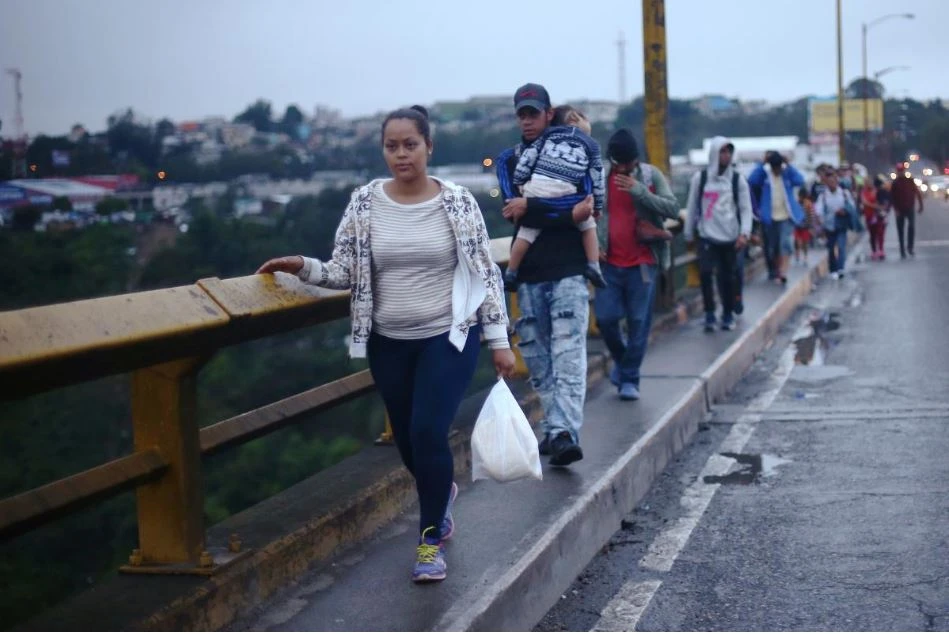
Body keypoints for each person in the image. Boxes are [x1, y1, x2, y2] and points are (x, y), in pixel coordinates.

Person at [256, 105, 515, 584]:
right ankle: (441, 495)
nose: (401, 154)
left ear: (428, 147)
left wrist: (499, 341)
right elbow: (345, 271)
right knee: (410, 444)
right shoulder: (364, 204)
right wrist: (302, 266)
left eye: (410, 145)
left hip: (448, 337)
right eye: (392, 146)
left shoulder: (456, 201)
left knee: (427, 432)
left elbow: (485, 274)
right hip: (388, 342)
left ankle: (428, 541)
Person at [495, 83, 596, 467]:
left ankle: (563, 431)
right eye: (521, 113)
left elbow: (585, 204)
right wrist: (564, 212)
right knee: (537, 357)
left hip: (569, 268)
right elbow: (513, 209)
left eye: (533, 113)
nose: (527, 120)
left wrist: (538, 206)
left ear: (548, 114)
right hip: (531, 272)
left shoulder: (575, 152)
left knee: (569, 352)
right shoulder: (509, 160)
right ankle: (557, 428)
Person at [595, 128, 681, 399]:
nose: (623, 169)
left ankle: (630, 378)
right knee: (606, 319)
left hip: (643, 261)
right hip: (609, 261)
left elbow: (673, 209)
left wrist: (640, 192)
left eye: (628, 164)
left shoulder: (649, 175)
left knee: (638, 320)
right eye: (618, 163)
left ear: (636, 160)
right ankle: (624, 362)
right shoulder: (599, 178)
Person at [504, 105, 606, 290]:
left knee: (526, 233)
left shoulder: (545, 138)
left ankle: (511, 271)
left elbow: (528, 160)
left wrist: (520, 181)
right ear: (574, 119)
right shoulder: (590, 144)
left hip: (535, 188)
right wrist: (597, 206)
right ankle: (594, 266)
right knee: (588, 225)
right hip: (565, 190)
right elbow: (597, 178)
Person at [684, 136, 753, 333]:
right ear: (714, 153)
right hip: (707, 234)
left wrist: (744, 233)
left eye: (729, 151)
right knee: (705, 274)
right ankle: (709, 313)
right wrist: (689, 233)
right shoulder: (701, 178)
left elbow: (746, 209)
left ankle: (728, 313)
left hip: (730, 236)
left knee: (727, 277)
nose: (726, 156)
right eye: (722, 151)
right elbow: (692, 207)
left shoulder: (738, 180)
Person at [747, 151, 806, 285]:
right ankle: (774, 270)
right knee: (771, 247)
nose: (777, 170)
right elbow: (751, 180)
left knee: (785, 243)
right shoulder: (765, 176)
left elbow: (800, 180)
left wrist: (789, 165)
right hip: (769, 217)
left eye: (779, 167)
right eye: (774, 167)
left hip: (786, 215)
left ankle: (783, 272)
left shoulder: (787, 176)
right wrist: (762, 164)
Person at [815, 168, 859, 279]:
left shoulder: (844, 193)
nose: (832, 184)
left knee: (841, 246)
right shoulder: (823, 196)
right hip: (829, 226)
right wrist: (820, 219)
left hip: (841, 224)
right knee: (831, 248)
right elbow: (818, 209)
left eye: (833, 182)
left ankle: (841, 268)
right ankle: (833, 269)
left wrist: (844, 211)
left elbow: (852, 206)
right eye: (829, 182)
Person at [890, 165, 925, 259]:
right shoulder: (895, 183)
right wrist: (895, 210)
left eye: (901, 170)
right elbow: (892, 197)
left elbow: (917, 193)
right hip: (900, 209)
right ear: (897, 171)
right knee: (900, 230)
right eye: (899, 171)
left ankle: (910, 247)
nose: (900, 172)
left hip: (910, 208)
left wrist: (921, 205)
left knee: (911, 227)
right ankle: (902, 250)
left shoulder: (910, 181)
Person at [861, 178, 885, 260]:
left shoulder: (877, 191)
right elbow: (865, 203)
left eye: (870, 183)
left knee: (880, 233)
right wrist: (875, 206)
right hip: (869, 216)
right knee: (872, 234)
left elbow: (881, 201)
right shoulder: (863, 192)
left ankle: (881, 250)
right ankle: (874, 251)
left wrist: (880, 206)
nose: (869, 184)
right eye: (868, 183)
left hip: (879, 216)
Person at [794, 187, 816, 266]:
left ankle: (805, 257)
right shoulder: (796, 203)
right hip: (797, 226)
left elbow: (811, 215)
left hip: (805, 226)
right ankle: (797, 255)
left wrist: (811, 227)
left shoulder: (808, 204)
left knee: (804, 242)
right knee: (796, 241)